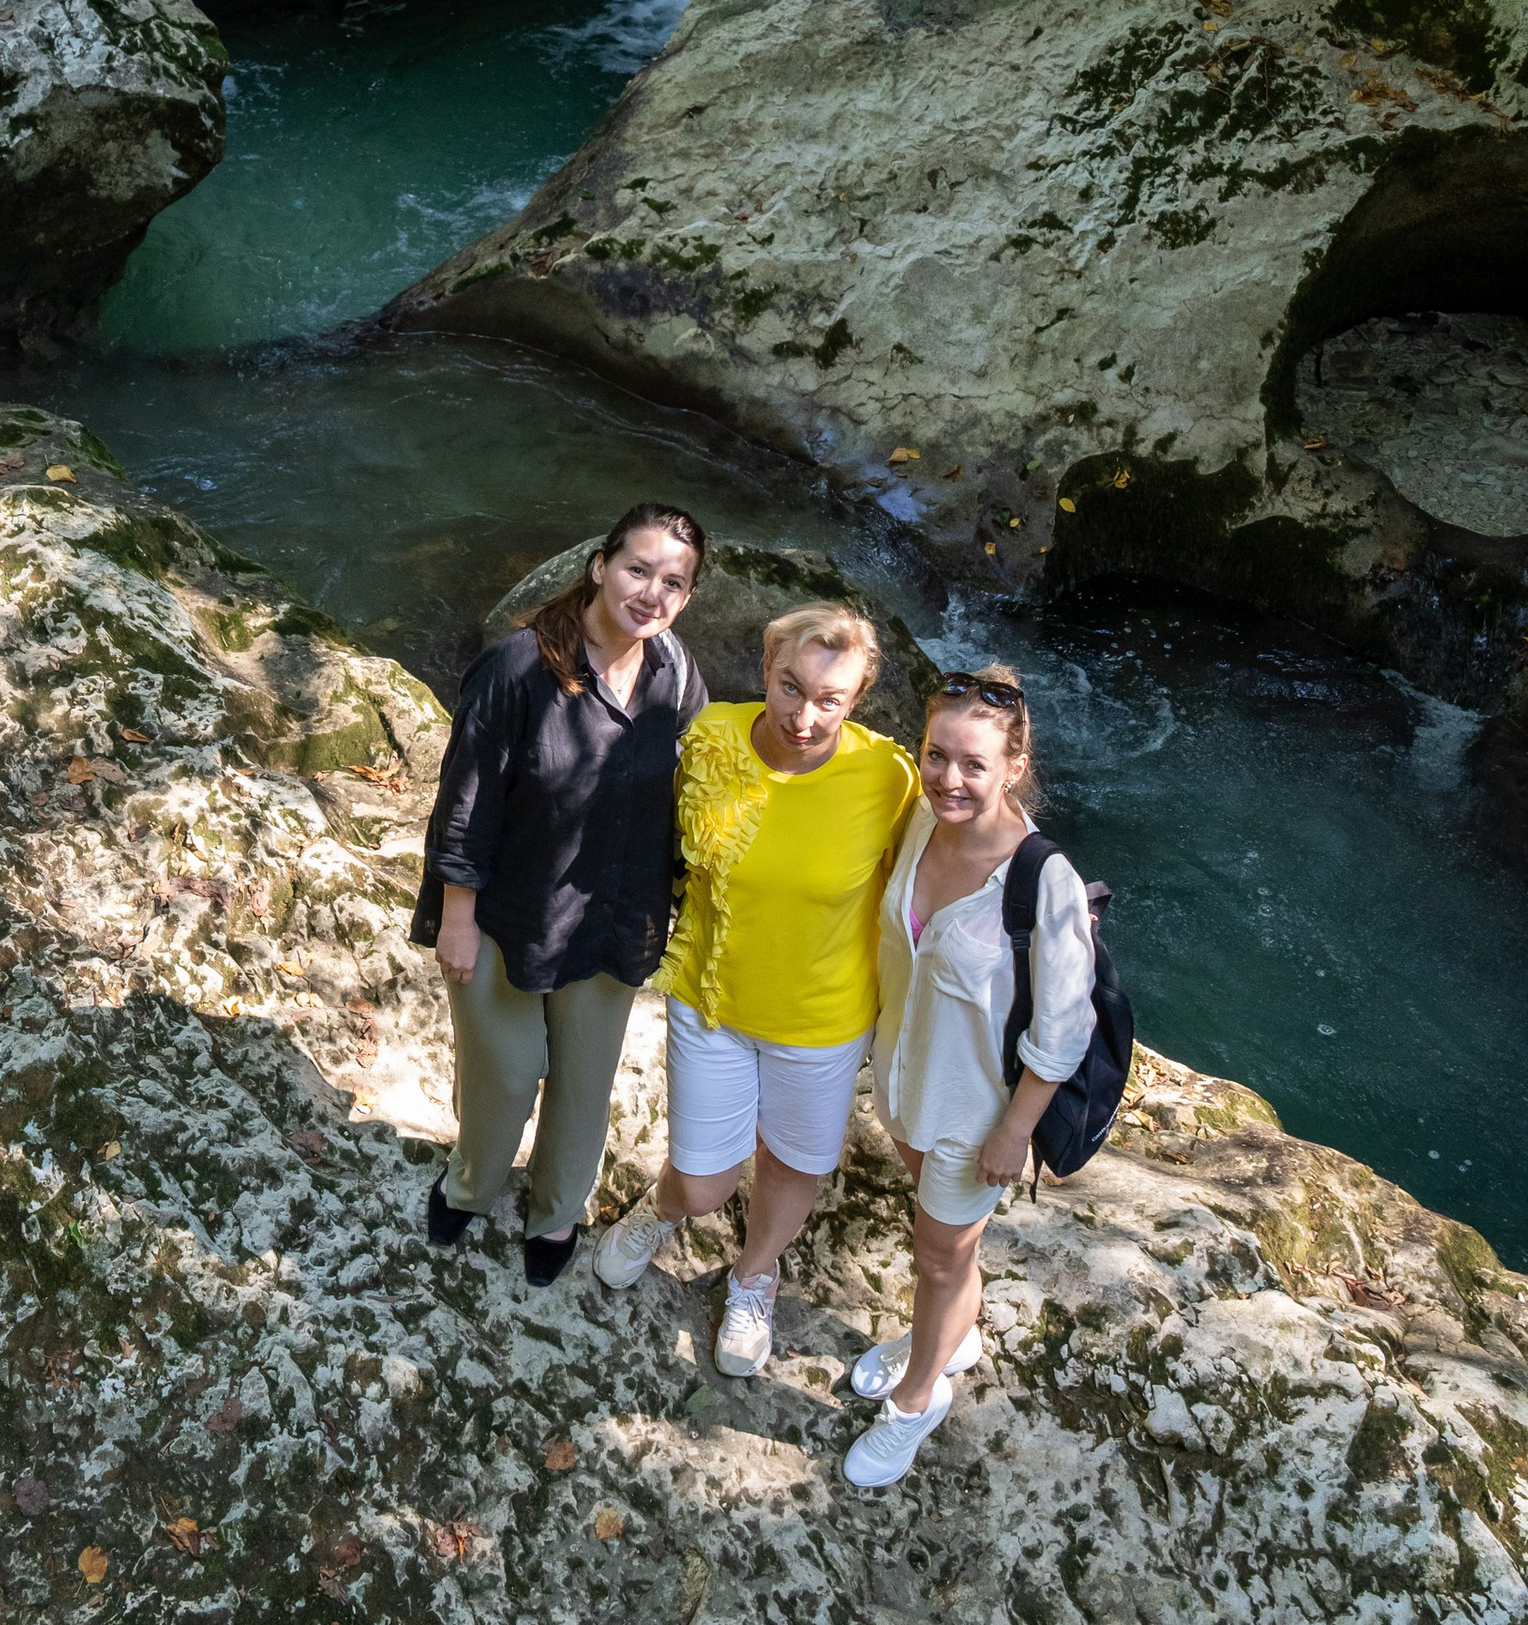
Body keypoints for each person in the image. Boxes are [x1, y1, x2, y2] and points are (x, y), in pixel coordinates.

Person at [595, 604, 915, 1372]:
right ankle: (665, 1208)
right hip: (712, 1002)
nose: (806, 715)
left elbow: (941, 873)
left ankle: (755, 1273)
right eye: (790, 687)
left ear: (858, 698)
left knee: (793, 1165)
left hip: (822, 1020)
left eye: (830, 700)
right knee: (705, 1181)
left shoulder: (888, 778)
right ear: (767, 669)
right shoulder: (708, 740)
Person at [411, 503, 708, 1283]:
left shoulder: (675, 674)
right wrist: (457, 916)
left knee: (584, 1085)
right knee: (505, 1072)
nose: (651, 593)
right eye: (638, 569)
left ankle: (556, 1214)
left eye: (673, 582)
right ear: (598, 566)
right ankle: (472, 1182)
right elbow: (466, 800)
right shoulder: (517, 668)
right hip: (512, 912)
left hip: (614, 914)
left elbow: (700, 791)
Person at [843, 662, 1095, 1488]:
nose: (951, 779)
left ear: (1013, 767)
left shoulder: (1040, 879)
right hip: (909, 1079)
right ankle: (953, 1335)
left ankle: (919, 1399)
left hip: (977, 1114)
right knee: (951, 1251)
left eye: (974, 764)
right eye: (937, 755)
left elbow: (1062, 1029)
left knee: (937, 1259)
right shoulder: (920, 822)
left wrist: (1013, 1131)